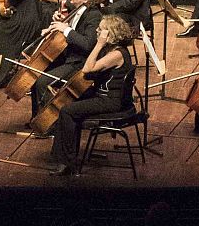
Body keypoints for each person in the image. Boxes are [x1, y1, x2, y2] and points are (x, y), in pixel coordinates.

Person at [44, 14, 137, 176]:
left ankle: (67, 163)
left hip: (111, 101)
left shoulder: (116, 54)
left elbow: (87, 69)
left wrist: (99, 44)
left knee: (67, 111)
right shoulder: (112, 51)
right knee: (68, 103)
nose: (96, 30)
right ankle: (65, 157)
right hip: (105, 96)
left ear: (110, 34)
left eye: (100, 29)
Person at [30, 0, 103, 118]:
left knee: (42, 83)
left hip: (78, 63)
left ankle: (47, 123)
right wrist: (58, 23)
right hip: (67, 56)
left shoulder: (94, 15)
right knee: (34, 73)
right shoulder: (76, 8)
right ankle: (36, 119)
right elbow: (73, 30)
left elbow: (87, 44)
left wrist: (66, 29)